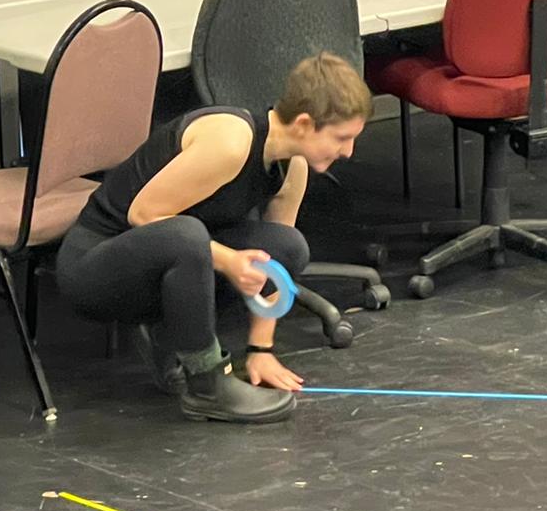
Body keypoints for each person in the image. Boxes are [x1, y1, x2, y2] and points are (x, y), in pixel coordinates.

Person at [58, 52, 373, 424]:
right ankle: (207, 385)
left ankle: (171, 333)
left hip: (166, 261)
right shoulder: (230, 142)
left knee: (287, 245)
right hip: (96, 264)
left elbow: (275, 268)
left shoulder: (293, 166)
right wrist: (228, 261)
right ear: (304, 124)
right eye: (341, 138)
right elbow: (144, 215)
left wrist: (261, 349)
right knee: (188, 236)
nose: (349, 151)